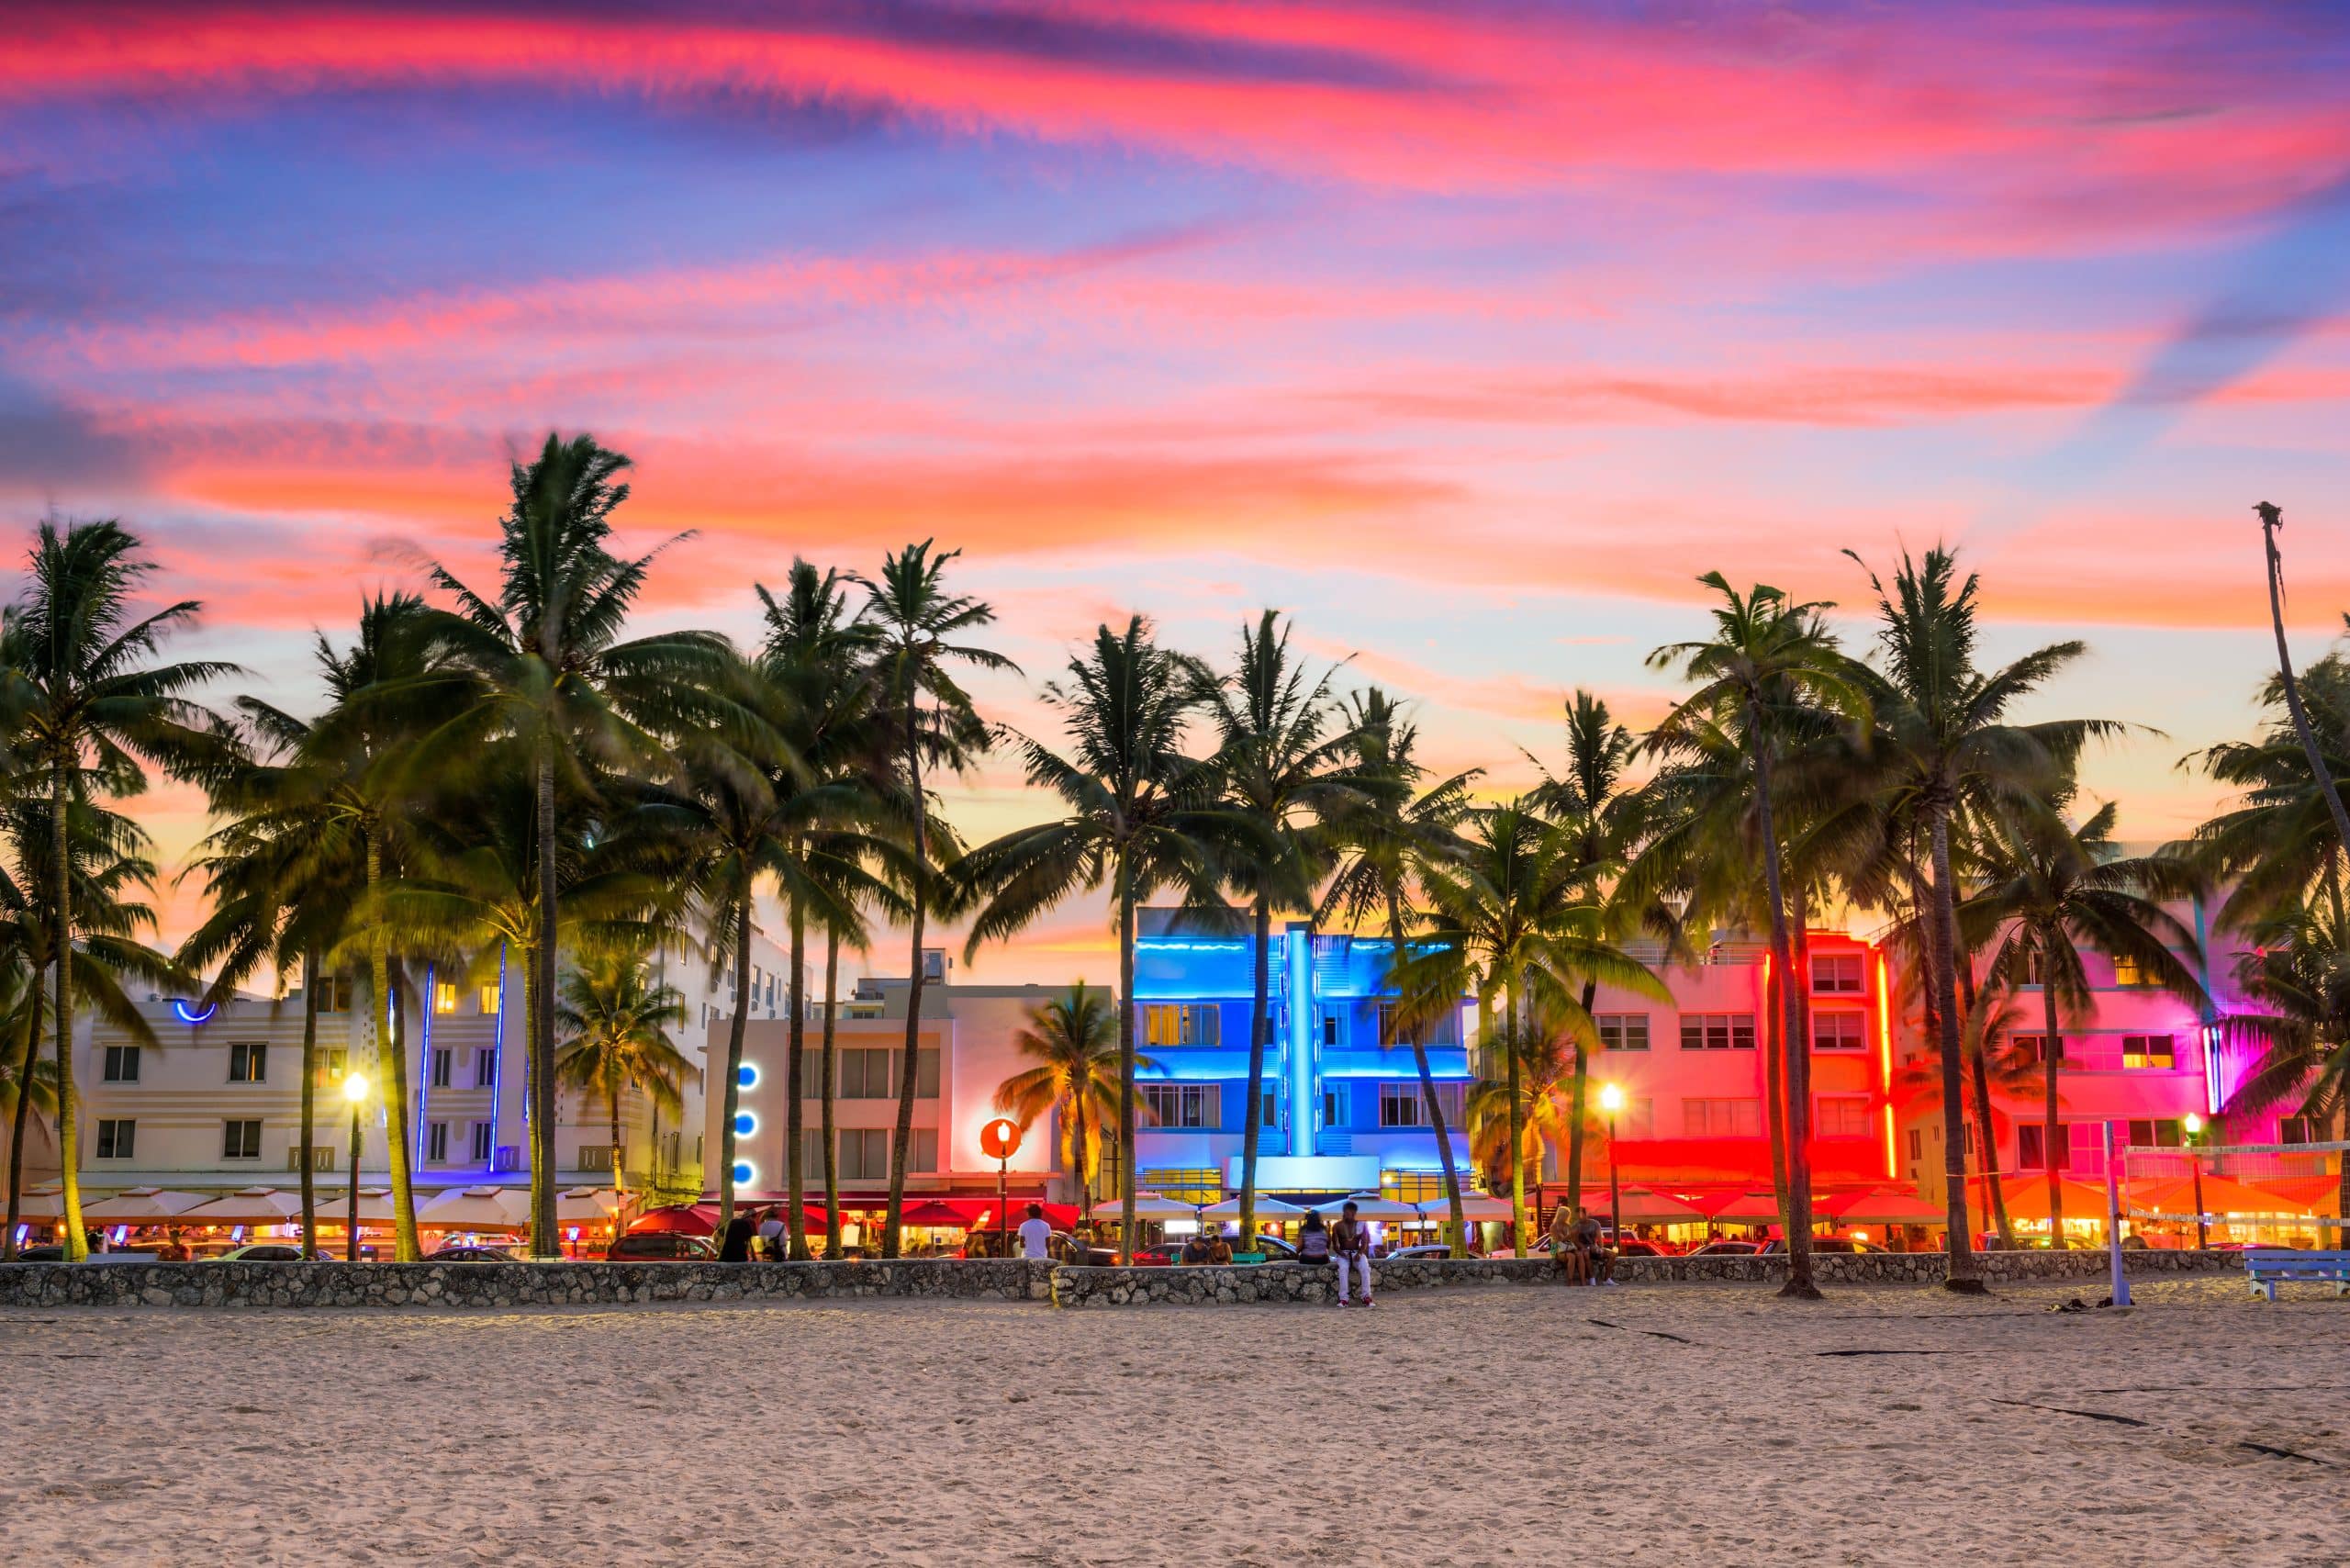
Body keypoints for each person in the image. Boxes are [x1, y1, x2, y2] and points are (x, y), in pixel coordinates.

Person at [1330, 1201, 1374, 1307]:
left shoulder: (1361, 1224)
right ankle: (1344, 1299)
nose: (1351, 1215)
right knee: (1343, 1269)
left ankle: (1366, 1297)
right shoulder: (1337, 1226)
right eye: (1349, 1212)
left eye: (1353, 1213)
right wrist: (1341, 1253)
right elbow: (1335, 1245)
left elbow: (1365, 1243)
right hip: (1343, 1253)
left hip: (1357, 1252)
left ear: (1355, 1213)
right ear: (1344, 1212)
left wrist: (1359, 1254)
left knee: (1365, 1268)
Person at [1572, 1207, 1613, 1285]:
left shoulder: (1595, 1223)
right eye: (1578, 1214)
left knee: (1612, 1255)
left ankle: (1607, 1279)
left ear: (1585, 1214)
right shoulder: (1575, 1225)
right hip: (1583, 1248)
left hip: (1594, 1247)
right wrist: (1584, 1247)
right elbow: (1575, 1241)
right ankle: (1592, 1278)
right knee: (1586, 1254)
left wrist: (1601, 1248)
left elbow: (1599, 1237)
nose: (1579, 1216)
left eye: (1580, 1214)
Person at [1549, 1204, 1585, 1285]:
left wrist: (1575, 1236)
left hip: (1568, 1248)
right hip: (1558, 1249)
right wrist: (1569, 1235)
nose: (1567, 1217)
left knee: (1579, 1254)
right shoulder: (1554, 1226)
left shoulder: (1567, 1225)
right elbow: (1559, 1240)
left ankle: (1583, 1280)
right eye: (1566, 1215)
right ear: (1561, 1215)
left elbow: (1571, 1240)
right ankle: (1570, 1280)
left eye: (1568, 1215)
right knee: (1571, 1257)